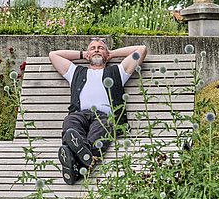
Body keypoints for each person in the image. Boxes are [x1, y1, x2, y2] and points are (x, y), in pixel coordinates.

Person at [49, 38, 147, 184]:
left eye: (100, 48)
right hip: (80, 115)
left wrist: (111, 53)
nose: (96, 50)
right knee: (70, 121)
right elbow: (53, 55)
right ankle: (82, 159)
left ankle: (73, 161)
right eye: (93, 48)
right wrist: (83, 54)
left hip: (103, 117)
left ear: (106, 54)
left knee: (103, 126)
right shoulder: (76, 72)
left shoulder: (118, 72)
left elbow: (142, 50)